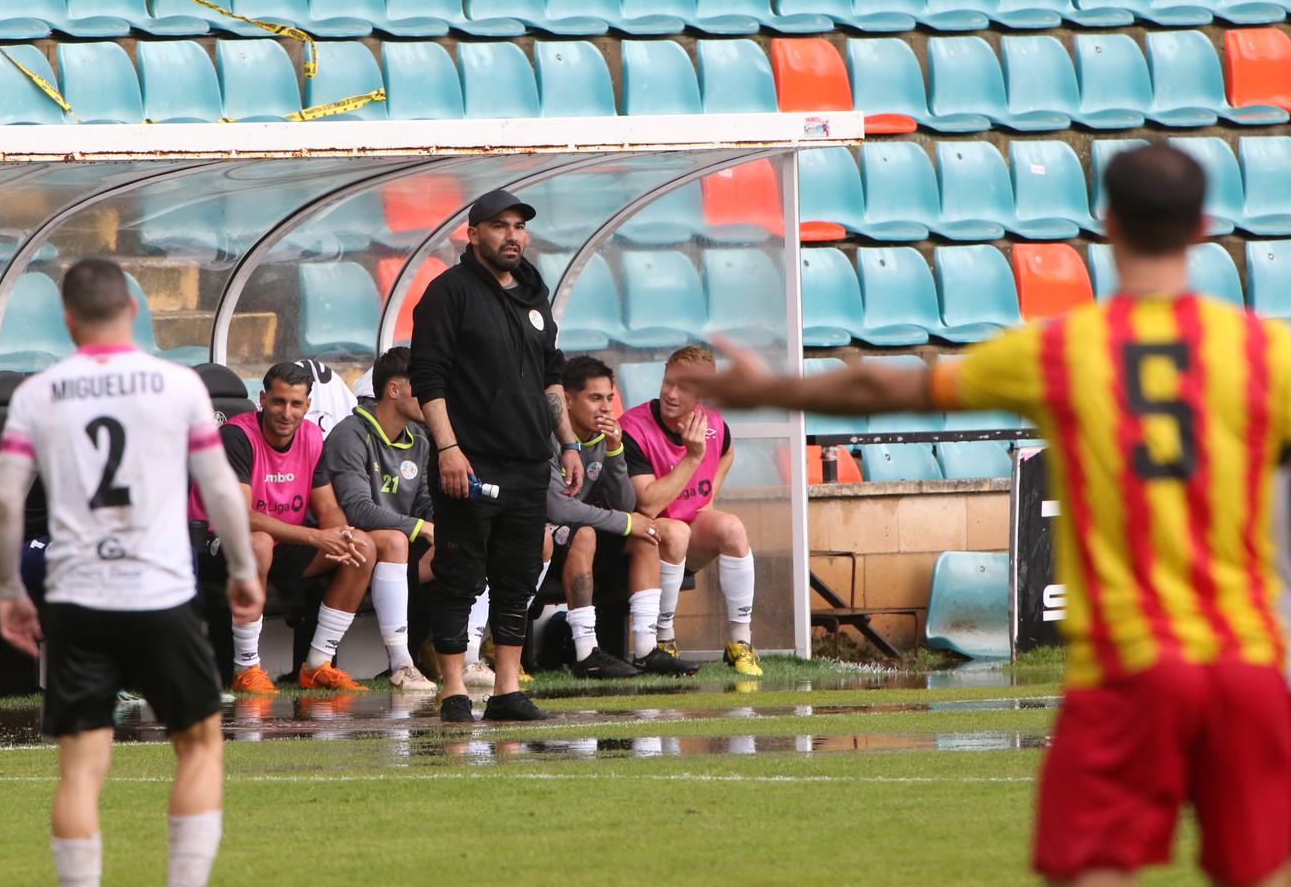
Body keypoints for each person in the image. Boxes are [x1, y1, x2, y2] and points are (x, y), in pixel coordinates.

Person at [699, 144, 1291, 887]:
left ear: (1106, 223)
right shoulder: (1270, 353)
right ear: (1205, 227)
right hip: (1243, 662)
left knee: (1094, 870)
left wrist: (777, 389)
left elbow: (896, 388)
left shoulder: (1063, 350)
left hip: (1128, 667)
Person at [0, 257, 260, 887]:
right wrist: (243, 568)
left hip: (77, 596)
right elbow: (219, 488)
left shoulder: (37, 393)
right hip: (160, 592)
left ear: (67, 319)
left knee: (81, 767)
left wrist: (8, 591)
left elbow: (3, 502)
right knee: (198, 747)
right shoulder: (178, 386)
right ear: (133, 311)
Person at [411, 187, 584, 724]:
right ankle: (455, 689)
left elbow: (550, 375)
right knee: (460, 572)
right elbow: (428, 379)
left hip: (530, 461)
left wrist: (569, 442)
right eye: (499, 226)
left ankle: (507, 690)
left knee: (517, 574)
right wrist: (448, 449)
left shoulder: (533, 291)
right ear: (474, 233)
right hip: (470, 461)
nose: (512, 236)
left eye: (519, 226)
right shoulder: (448, 292)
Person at [212, 360, 377, 695]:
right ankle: (246, 669)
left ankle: (318, 664)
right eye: (278, 401)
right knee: (257, 543)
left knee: (362, 546)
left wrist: (339, 534)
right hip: (224, 546)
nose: (286, 412)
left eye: (296, 404)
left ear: (308, 406)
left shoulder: (312, 436)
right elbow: (241, 516)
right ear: (263, 399)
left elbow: (328, 506)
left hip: (286, 546)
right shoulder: (236, 436)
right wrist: (316, 536)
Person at [620, 347, 760, 677]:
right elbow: (649, 504)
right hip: (638, 543)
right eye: (668, 382)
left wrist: (709, 495)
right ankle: (664, 640)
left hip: (684, 536)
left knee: (733, 528)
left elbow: (727, 452)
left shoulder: (713, 424)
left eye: (683, 387)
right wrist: (693, 458)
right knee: (676, 531)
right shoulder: (633, 428)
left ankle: (741, 643)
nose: (670, 393)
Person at [324, 347, 436, 693]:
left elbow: (424, 501)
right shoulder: (351, 433)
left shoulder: (419, 438)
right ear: (394, 389)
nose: (428, 396)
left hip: (400, 550)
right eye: (420, 386)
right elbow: (357, 508)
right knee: (397, 540)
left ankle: (458, 652)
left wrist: (441, 525)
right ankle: (401, 663)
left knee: (463, 544)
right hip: (352, 551)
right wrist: (421, 527)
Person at [546, 355, 664, 679]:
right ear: (567, 401)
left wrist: (615, 451)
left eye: (609, 398)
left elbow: (624, 505)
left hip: (590, 542)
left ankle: (646, 649)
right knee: (586, 532)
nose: (606, 408)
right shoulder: (548, 438)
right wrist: (626, 522)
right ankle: (586, 653)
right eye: (595, 398)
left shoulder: (605, 438)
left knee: (646, 535)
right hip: (545, 541)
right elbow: (559, 509)